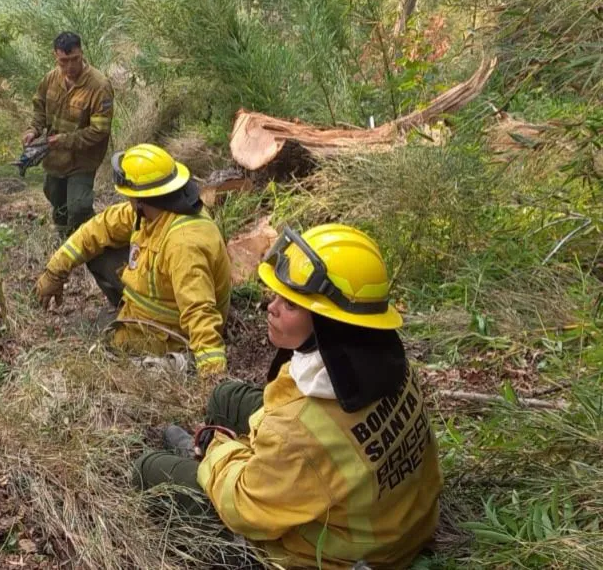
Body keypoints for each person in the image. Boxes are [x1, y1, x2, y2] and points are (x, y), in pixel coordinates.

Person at [132, 224, 443, 569]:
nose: (271, 307)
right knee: (225, 398)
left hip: (337, 555)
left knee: (149, 469)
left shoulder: (294, 434)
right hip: (399, 521)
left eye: (291, 304)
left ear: (329, 322)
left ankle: (208, 469)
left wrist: (216, 449)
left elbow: (242, 507)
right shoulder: (381, 359)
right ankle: (243, 468)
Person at [34, 143, 232, 376]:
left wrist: (212, 375)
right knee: (99, 251)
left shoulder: (184, 244)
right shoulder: (155, 209)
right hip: (153, 308)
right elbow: (99, 228)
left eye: (128, 196)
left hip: (169, 335)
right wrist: (55, 272)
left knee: (98, 346)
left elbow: (199, 311)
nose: (126, 200)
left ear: (140, 199)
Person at [23, 31, 114, 236]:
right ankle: (64, 239)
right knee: (56, 198)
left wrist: (65, 140)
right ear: (56, 57)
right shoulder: (51, 79)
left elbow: (99, 130)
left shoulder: (99, 86)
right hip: (55, 158)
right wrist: (33, 130)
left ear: (82, 53)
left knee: (79, 206)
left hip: (83, 158)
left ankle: (91, 240)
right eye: (64, 61)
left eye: (75, 59)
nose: (70, 67)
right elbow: (39, 107)